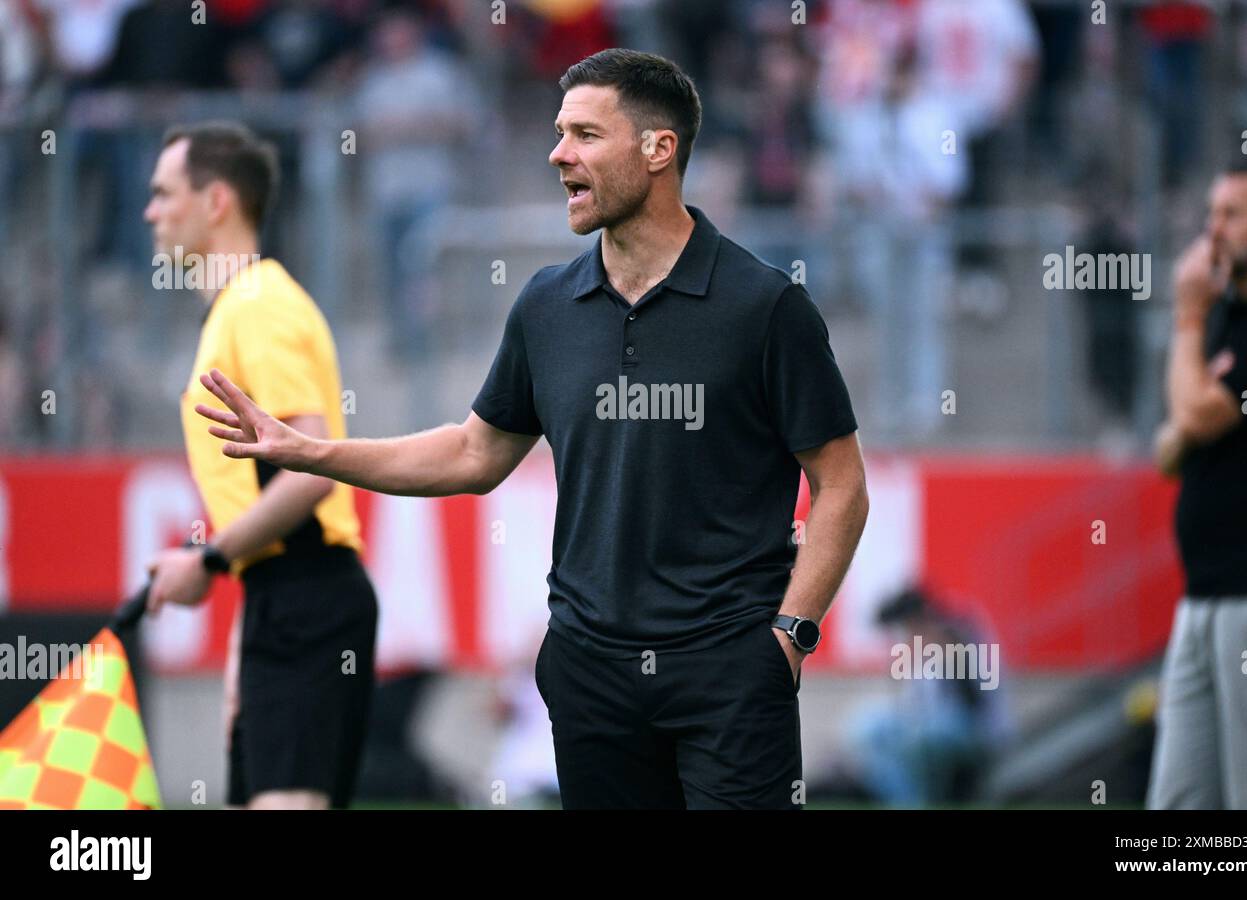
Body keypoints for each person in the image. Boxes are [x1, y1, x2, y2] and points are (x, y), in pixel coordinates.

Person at [193, 49, 869, 810]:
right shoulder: (548, 306)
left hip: (731, 674)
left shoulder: (765, 307)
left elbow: (841, 484)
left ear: (658, 149)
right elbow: (472, 452)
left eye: (584, 134)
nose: (557, 154)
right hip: (590, 676)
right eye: (558, 132)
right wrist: (308, 452)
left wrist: (790, 638)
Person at [142, 121, 377, 810]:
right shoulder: (236, 309)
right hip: (283, 598)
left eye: (163, 193)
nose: (150, 211)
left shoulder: (259, 304)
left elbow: (312, 470)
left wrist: (207, 563)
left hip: (308, 597)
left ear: (216, 201)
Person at [1148, 161, 1247, 809]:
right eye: (1211, 214)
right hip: (1204, 594)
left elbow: (1197, 414)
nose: (1214, 231)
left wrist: (1185, 320)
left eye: (1234, 214)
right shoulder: (1228, 316)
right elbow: (1168, 447)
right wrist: (1193, 418)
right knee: (1181, 807)